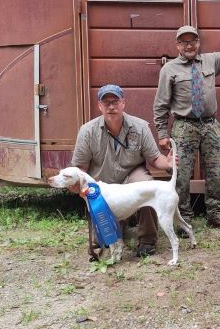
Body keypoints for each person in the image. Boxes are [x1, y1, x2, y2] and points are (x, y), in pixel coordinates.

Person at [153, 12, 220, 228]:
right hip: (183, 126)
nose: (189, 45)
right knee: (181, 174)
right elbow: (161, 104)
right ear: (177, 45)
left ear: (198, 42)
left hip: (210, 125)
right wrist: (161, 133)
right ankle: (183, 218)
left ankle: (215, 214)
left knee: (216, 170)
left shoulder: (210, 61)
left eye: (193, 40)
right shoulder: (169, 69)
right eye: (184, 42)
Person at [71, 84, 175, 257]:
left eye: (115, 101)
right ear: (99, 106)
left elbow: (155, 158)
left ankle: (147, 240)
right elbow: (80, 166)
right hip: (102, 184)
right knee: (102, 242)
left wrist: (169, 162)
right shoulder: (87, 131)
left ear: (123, 103)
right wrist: (76, 183)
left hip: (131, 177)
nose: (111, 106)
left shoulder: (140, 127)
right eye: (106, 103)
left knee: (147, 185)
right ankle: (118, 226)